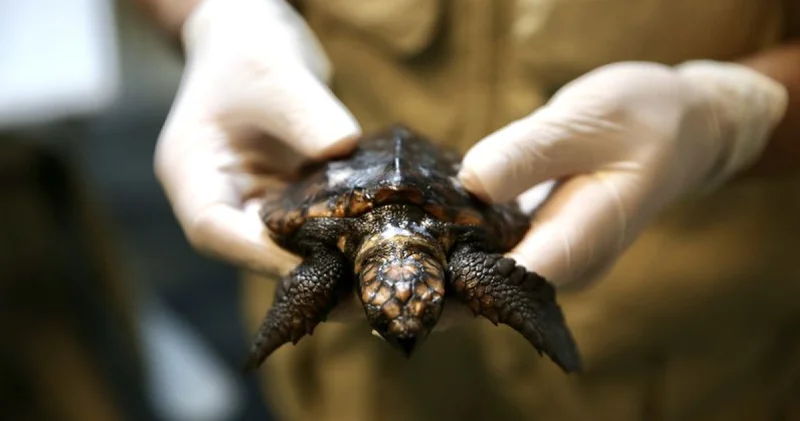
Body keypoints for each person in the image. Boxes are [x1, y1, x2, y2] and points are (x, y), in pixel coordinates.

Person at [138, 0, 800, 420]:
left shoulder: (438, 263)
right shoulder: (408, 252)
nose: (407, 324)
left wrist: (728, 116)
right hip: (358, 389)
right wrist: (216, 17)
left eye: (411, 307)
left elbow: (307, 284)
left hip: (685, 358)